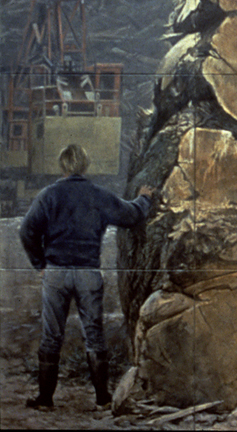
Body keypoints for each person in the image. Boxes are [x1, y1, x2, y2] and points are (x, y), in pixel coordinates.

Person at [19, 144, 154, 410]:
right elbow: (131, 215)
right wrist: (144, 198)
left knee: (51, 336)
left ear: (62, 165)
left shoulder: (48, 195)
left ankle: (45, 400)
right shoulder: (97, 194)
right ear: (85, 165)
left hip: (56, 273)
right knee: (94, 335)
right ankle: (102, 398)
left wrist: (39, 263)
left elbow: (26, 231)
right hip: (88, 273)